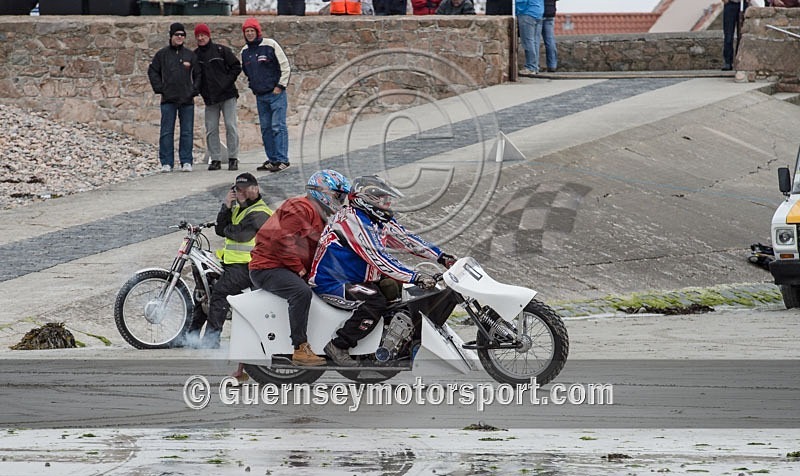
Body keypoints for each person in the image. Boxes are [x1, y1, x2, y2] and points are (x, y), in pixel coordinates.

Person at [308, 175, 457, 367]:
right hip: (333, 281)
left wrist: (441, 257)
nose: (387, 202)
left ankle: (398, 342)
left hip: (358, 277)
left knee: (398, 292)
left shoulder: (376, 218)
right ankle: (339, 345)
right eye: (381, 197)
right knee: (374, 302)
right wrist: (414, 276)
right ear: (366, 199)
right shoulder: (354, 221)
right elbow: (379, 259)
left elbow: (406, 239)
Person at [249, 170, 351, 365]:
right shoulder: (300, 207)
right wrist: (300, 269)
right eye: (339, 195)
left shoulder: (319, 213)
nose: (341, 200)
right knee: (300, 292)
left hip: (283, 266)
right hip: (268, 267)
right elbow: (281, 240)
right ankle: (300, 348)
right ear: (325, 192)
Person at [186, 173, 272, 349]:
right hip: (231, 261)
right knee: (204, 287)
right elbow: (220, 230)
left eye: (243, 190)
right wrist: (226, 205)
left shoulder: (261, 213)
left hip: (249, 265)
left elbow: (237, 234)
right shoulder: (239, 208)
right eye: (236, 190)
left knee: (220, 293)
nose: (239, 193)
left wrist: (226, 225)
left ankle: (211, 341)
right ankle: (190, 335)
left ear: (254, 189)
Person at [240, 18, 292, 173]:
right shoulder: (245, 51)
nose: (249, 34)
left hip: (276, 93)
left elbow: (285, 66)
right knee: (266, 128)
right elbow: (247, 71)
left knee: (278, 126)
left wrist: (280, 85)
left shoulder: (270, 45)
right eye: (247, 31)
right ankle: (272, 159)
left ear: (257, 32)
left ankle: (282, 159)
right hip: (260, 95)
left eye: (252, 31)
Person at [147, 22, 200, 173]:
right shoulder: (162, 54)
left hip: (186, 100)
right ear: (171, 36)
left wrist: (193, 90)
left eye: (182, 35)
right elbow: (153, 71)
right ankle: (166, 162)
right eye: (177, 35)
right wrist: (160, 88)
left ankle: (186, 161)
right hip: (168, 100)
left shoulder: (190, 55)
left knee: (187, 132)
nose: (180, 37)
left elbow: (198, 75)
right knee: (166, 132)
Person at [193, 23, 242, 172]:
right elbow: (195, 76)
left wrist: (226, 82)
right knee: (211, 129)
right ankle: (215, 159)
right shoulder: (195, 55)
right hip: (210, 98)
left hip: (227, 95)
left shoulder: (222, 51)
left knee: (230, 125)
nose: (201, 38)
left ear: (209, 36)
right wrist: (199, 90)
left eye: (203, 35)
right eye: (198, 36)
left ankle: (233, 158)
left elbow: (236, 67)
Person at [516, 0, 544, 77]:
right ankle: (535, 66)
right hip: (538, 12)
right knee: (535, 41)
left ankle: (531, 67)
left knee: (528, 41)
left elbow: (521, 1)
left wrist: (517, 10)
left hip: (527, 12)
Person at [722, 0, 749, 71]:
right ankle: (728, 62)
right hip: (730, 4)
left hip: (743, 4)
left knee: (741, 35)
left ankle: (739, 60)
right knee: (728, 35)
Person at [541, 0, 558, 73]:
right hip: (550, 12)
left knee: (534, 40)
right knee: (550, 40)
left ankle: (533, 66)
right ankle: (552, 65)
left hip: (538, 11)